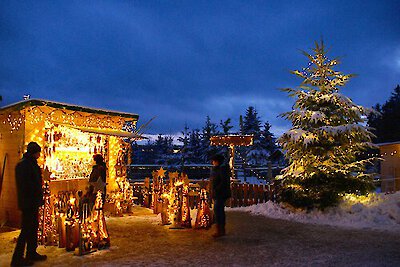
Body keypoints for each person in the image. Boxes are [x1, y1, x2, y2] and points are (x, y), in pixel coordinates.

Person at [11, 142, 47, 266]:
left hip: (32, 201)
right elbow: (27, 185)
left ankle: (31, 252)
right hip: (28, 202)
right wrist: (35, 195)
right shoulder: (25, 165)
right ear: (34, 152)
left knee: (33, 228)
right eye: (38, 152)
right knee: (26, 229)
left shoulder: (30, 164)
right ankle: (17, 258)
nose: (39, 155)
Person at [209, 154, 231, 238]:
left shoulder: (222, 170)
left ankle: (220, 229)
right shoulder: (218, 169)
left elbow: (223, 182)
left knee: (218, 211)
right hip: (218, 193)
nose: (213, 162)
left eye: (214, 161)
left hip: (220, 193)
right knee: (218, 210)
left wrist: (216, 189)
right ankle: (220, 229)